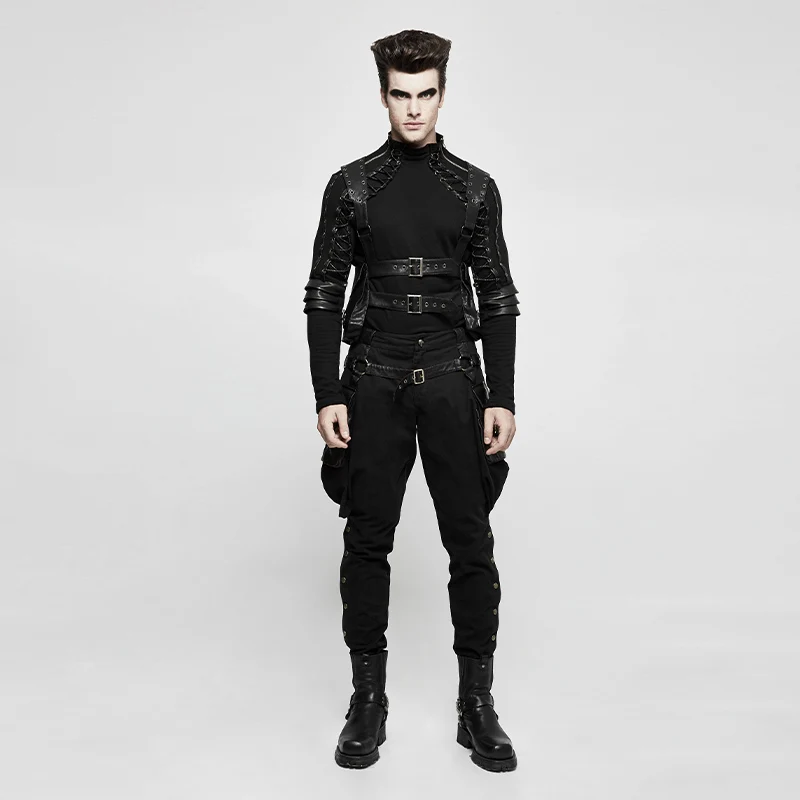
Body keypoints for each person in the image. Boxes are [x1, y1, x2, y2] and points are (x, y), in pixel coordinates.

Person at [303, 29, 520, 772]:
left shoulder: (475, 188)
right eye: (402, 94)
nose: (415, 109)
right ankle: (368, 701)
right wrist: (327, 390)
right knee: (367, 540)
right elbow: (324, 292)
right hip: (373, 377)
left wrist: (503, 395)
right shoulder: (353, 186)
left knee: (471, 541)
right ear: (384, 95)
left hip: (456, 376)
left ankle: (476, 706)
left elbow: (497, 294)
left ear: (443, 93)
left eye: (426, 93)